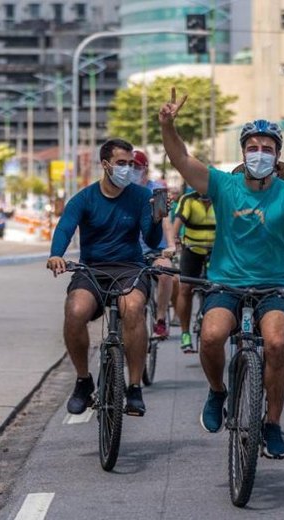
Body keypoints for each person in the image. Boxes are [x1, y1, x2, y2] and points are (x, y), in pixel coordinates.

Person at [160, 88, 284, 459]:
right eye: (252, 148)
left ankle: (273, 423)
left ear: (277, 157)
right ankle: (218, 392)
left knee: (277, 344)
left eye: (267, 149)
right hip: (225, 284)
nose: (259, 154)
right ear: (242, 153)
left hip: (274, 287)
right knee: (212, 335)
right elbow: (182, 158)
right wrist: (168, 126)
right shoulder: (223, 184)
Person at [47, 138, 165, 417]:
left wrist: (157, 217)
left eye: (131, 164)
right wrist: (56, 254)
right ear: (105, 165)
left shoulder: (139, 197)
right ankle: (83, 381)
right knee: (75, 311)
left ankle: (134, 388)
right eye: (121, 164)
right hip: (92, 270)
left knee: (133, 308)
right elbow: (65, 227)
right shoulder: (85, 198)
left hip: (129, 268)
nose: (127, 169)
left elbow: (151, 238)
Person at [133, 150, 177, 337]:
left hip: (155, 251)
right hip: (131, 253)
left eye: (135, 167)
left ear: (145, 168)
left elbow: (165, 220)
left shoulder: (156, 189)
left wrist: (170, 245)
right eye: (128, 166)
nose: (131, 170)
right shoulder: (122, 190)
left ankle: (160, 318)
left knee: (166, 271)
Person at [173, 189, 216, 353]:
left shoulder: (220, 198)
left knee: (219, 287)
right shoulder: (188, 200)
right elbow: (176, 225)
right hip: (192, 249)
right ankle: (185, 333)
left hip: (215, 251)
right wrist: (173, 242)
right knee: (185, 288)